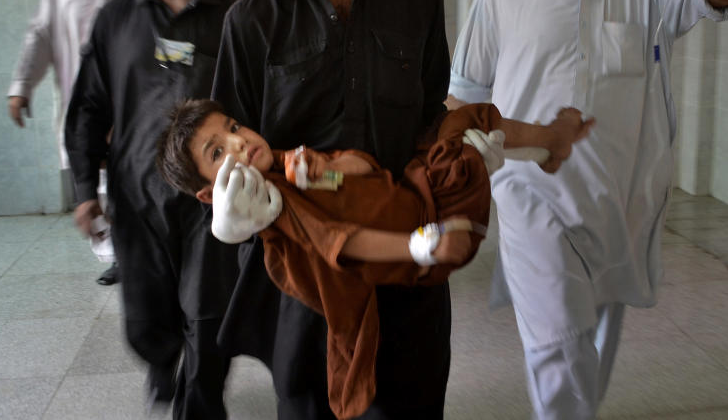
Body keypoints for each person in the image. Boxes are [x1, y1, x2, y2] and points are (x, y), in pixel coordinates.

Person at [447, 0, 728, 419]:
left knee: (592, 346)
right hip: (532, 200)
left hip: (621, 206)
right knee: (559, 346)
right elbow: (463, 102)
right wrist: (458, 192)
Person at [211, 0, 475, 420]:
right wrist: (233, 210)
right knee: (310, 406)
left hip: (408, 257)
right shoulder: (251, 21)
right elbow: (230, 142)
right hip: (308, 275)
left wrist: (461, 154)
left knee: (413, 402)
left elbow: (431, 109)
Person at [157, 98, 593, 419]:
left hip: (416, 192)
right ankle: (550, 142)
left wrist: (325, 170)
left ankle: (543, 150)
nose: (238, 141)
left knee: (456, 118)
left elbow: (364, 167)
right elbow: (343, 243)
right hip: (429, 225)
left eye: (234, 126)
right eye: (217, 153)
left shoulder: (289, 165)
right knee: (467, 131)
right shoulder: (278, 208)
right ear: (207, 193)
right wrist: (421, 245)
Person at [64, 0, 239, 419]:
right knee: (144, 315)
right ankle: (165, 364)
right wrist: (83, 192)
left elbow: (256, 104)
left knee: (208, 310)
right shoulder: (117, 19)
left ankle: (202, 398)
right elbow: (89, 105)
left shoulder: (233, 16)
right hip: (136, 193)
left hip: (211, 197)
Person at [7, 0, 143, 286]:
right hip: (79, 106)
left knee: (122, 183)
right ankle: (114, 255)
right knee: (91, 182)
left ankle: (129, 255)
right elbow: (39, 36)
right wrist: (21, 87)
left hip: (125, 107)